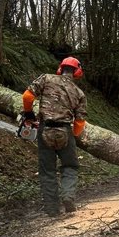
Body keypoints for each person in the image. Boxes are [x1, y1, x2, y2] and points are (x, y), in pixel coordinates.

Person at [22, 57, 87, 217]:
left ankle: (52, 209)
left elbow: (27, 97)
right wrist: (74, 136)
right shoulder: (79, 93)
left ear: (61, 68)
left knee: (47, 171)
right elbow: (79, 122)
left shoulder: (46, 78)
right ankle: (68, 196)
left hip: (45, 130)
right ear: (77, 71)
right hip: (65, 131)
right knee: (70, 166)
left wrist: (29, 114)